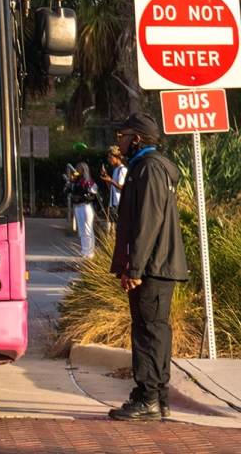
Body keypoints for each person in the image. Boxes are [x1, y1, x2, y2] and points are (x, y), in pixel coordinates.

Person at [108, 111, 190, 422]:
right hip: (154, 266)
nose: (120, 142)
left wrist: (136, 269)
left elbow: (147, 223)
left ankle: (149, 399)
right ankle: (156, 398)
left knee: (149, 332)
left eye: (123, 136)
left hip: (153, 268)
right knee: (151, 330)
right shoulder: (147, 168)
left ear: (137, 139)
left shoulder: (150, 169)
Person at [67, 162, 99, 256]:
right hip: (78, 207)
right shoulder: (76, 182)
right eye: (77, 168)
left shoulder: (88, 181)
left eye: (79, 169)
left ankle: (90, 252)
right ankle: (84, 250)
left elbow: (93, 194)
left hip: (86, 206)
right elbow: (67, 191)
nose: (77, 171)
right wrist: (71, 182)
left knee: (87, 228)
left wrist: (81, 198)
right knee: (81, 229)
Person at [101, 147, 128, 228]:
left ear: (117, 157)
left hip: (119, 204)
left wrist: (111, 180)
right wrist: (106, 179)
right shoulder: (116, 170)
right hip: (114, 204)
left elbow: (122, 187)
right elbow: (112, 189)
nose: (109, 160)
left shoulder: (122, 170)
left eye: (111, 157)